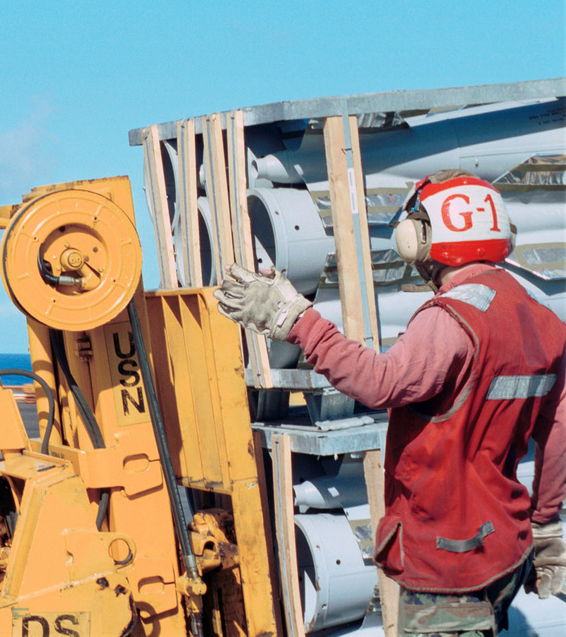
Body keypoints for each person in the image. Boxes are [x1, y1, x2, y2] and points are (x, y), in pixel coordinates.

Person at [214, 170, 566, 635]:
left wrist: (295, 319)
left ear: (424, 238)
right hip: (505, 546)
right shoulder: (543, 320)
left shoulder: (450, 320)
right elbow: (558, 433)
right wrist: (544, 526)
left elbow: (379, 383)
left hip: (450, 559)